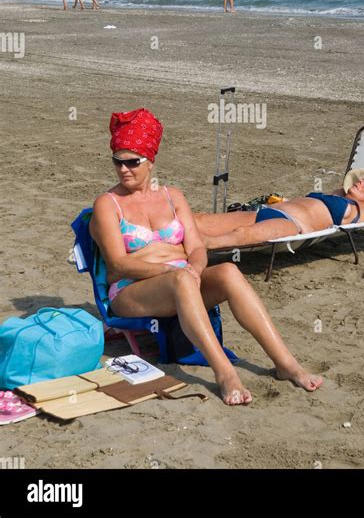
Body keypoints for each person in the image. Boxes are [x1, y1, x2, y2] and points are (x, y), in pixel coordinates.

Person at [89, 108, 323, 406]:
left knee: (227, 272)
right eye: (117, 162)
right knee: (180, 279)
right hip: (131, 290)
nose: (124, 169)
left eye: (132, 162)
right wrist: (172, 270)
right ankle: (224, 372)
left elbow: (197, 247)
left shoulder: (173, 196)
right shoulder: (108, 204)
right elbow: (117, 265)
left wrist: (196, 268)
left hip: (182, 280)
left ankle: (285, 362)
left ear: (151, 160)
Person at [195, 173, 364, 249]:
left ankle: (199, 247)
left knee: (241, 234)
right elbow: (348, 183)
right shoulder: (337, 195)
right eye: (361, 180)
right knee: (202, 220)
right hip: (266, 211)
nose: (360, 183)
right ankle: (165, 234)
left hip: (292, 225)